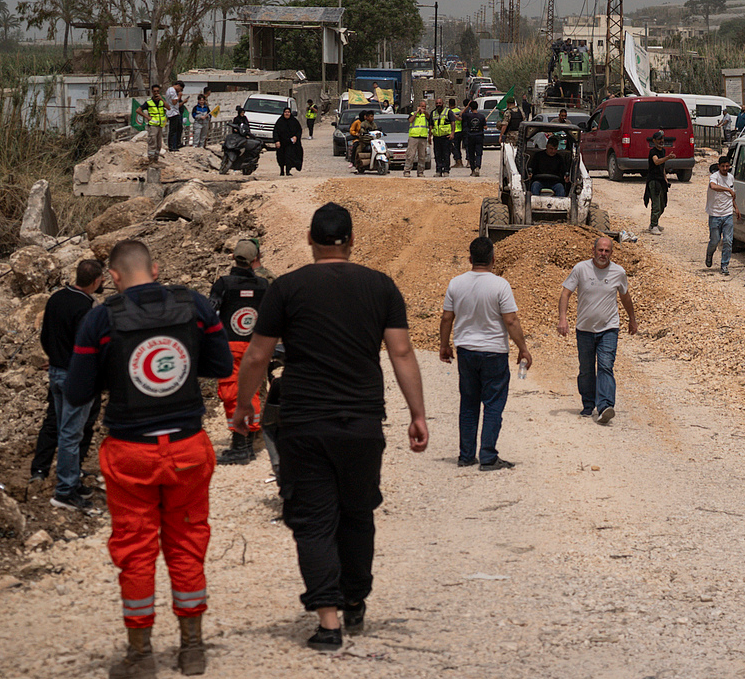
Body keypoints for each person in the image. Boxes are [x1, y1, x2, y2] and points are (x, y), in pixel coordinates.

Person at [230, 202, 428, 652]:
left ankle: (328, 621)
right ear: (352, 240)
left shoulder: (286, 287)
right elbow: (401, 352)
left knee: (313, 519)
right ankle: (354, 600)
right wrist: (417, 414)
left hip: (304, 421)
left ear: (310, 240)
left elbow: (258, 355)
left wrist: (243, 406)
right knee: (357, 513)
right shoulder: (381, 286)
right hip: (362, 421)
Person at [64, 239, 234, 679]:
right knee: (187, 543)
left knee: (135, 550)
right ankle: (192, 650)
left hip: (131, 454)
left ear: (113, 277)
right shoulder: (195, 305)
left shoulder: (100, 318)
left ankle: (140, 657)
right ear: (155, 269)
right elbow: (220, 365)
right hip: (187, 448)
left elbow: (78, 392)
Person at [438, 236, 532, 470]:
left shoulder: (456, 284)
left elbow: (447, 318)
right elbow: (511, 320)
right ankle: (488, 456)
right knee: (493, 404)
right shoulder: (500, 285)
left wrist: (444, 345)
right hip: (493, 353)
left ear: (470, 258)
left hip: (466, 352)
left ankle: (466, 455)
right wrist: (523, 348)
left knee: (468, 404)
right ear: (493, 259)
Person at [31, 258, 105, 509]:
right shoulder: (87, 307)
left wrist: (55, 358)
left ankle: (66, 478)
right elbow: (88, 347)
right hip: (75, 376)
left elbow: (46, 335)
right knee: (71, 434)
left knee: (60, 426)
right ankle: (65, 490)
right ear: (96, 281)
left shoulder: (56, 298)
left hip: (56, 372)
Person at [556, 235, 637, 425]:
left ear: (612, 253)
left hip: (609, 328)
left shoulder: (618, 272)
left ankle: (605, 407)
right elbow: (566, 293)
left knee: (605, 366)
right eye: (600, 250)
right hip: (584, 329)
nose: (603, 254)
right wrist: (562, 318)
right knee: (586, 370)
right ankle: (588, 403)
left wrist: (632, 319)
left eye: (607, 251)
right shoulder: (581, 269)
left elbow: (625, 297)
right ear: (593, 251)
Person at [209, 239, 274, 466]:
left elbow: (211, 313)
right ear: (255, 258)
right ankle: (247, 446)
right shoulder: (263, 285)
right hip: (256, 347)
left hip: (230, 347)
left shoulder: (223, 284)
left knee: (231, 393)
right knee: (251, 393)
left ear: (234, 258)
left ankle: (239, 447)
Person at [704, 154, 736, 276]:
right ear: (718, 166)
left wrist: (736, 208)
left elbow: (731, 196)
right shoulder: (714, 177)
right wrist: (728, 189)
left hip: (728, 214)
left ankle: (724, 265)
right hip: (715, 214)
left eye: (727, 166)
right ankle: (709, 254)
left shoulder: (731, 178)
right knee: (715, 240)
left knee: (728, 241)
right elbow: (713, 186)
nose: (725, 168)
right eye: (723, 166)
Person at [642, 132, 671, 235]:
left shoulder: (663, 151)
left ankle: (655, 223)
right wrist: (668, 157)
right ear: (654, 141)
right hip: (654, 181)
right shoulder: (653, 152)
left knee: (662, 204)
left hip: (661, 180)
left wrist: (665, 178)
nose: (661, 141)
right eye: (659, 139)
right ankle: (653, 225)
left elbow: (662, 166)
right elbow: (657, 161)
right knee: (656, 205)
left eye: (662, 139)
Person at [274, 107, 304, 177]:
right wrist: (277, 141)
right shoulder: (280, 121)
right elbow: (275, 131)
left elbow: (299, 130)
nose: (287, 113)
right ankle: (282, 171)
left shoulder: (294, 121)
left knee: (289, 157)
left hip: (290, 144)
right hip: (282, 143)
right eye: (285, 112)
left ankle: (288, 171)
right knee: (281, 157)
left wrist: (296, 137)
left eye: (288, 112)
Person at [142, 85, 168, 162]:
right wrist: (147, 117)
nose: (156, 93)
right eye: (154, 91)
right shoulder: (149, 102)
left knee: (159, 144)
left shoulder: (161, 102)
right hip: (153, 125)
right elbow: (138, 110)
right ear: (152, 92)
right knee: (153, 142)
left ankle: (156, 159)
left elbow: (168, 107)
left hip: (160, 125)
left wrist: (162, 99)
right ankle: (151, 159)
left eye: (157, 91)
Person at [404, 105, 431, 176]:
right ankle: (407, 171)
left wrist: (424, 112)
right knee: (410, 155)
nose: (423, 108)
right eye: (421, 106)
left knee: (422, 156)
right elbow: (410, 120)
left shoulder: (426, 115)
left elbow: (429, 118)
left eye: (424, 107)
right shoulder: (413, 114)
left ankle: (420, 172)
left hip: (423, 137)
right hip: (413, 137)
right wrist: (416, 112)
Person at [431, 102, 455, 178]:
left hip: (446, 137)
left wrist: (452, 133)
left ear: (443, 103)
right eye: (437, 103)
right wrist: (429, 136)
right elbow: (431, 125)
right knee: (437, 155)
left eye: (440, 103)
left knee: (446, 154)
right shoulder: (433, 113)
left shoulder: (448, 112)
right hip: (436, 137)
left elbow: (453, 122)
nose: (438, 104)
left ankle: (446, 170)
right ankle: (438, 171)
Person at [462, 100, 486, 177]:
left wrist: (467, 107)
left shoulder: (468, 116)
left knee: (471, 153)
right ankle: (478, 167)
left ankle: (473, 169)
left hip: (470, 136)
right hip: (479, 136)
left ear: (470, 108)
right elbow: (485, 127)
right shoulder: (481, 116)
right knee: (479, 153)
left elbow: (461, 114)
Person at [166, 81, 186, 152]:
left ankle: (177, 144)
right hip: (172, 113)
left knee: (179, 128)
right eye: (180, 89)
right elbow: (174, 102)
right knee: (173, 130)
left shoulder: (172, 90)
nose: (180, 91)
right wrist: (179, 96)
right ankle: (171, 146)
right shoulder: (172, 91)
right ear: (178, 85)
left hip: (176, 112)